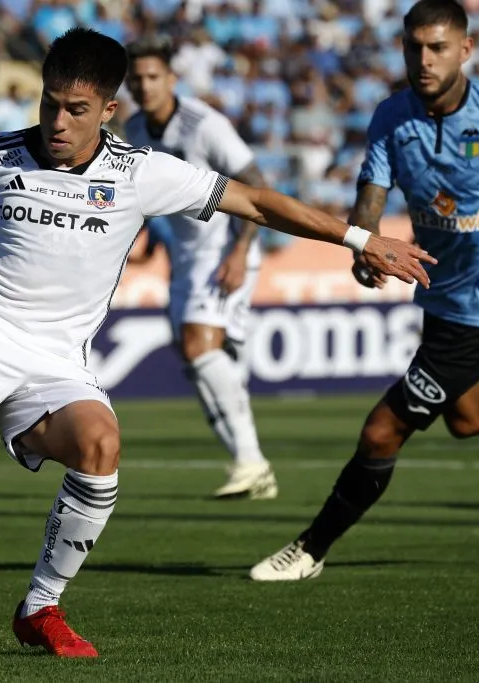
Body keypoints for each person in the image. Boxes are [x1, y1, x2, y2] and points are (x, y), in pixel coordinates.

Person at [0, 28, 433, 657]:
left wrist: (361, 236)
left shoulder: (143, 173)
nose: (56, 122)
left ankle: (40, 607)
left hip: (57, 356)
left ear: (109, 109)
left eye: (76, 110)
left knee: (101, 446)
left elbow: (256, 202)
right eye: (49, 104)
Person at [250, 0, 479, 582]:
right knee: (471, 421)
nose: (424, 58)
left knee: (382, 430)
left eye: (437, 47)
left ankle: (310, 550)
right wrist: (365, 244)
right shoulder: (392, 115)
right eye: (414, 46)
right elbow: (372, 189)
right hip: (444, 298)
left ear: (465, 50)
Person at [124, 37, 276, 500]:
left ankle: (251, 461)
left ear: (172, 79)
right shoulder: (134, 127)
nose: (145, 86)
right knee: (197, 359)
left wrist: (240, 252)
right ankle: (250, 467)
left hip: (227, 246)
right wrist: (150, 241)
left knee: (198, 343)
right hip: (188, 255)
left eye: (153, 77)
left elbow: (257, 186)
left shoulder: (205, 125)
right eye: (137, 79)